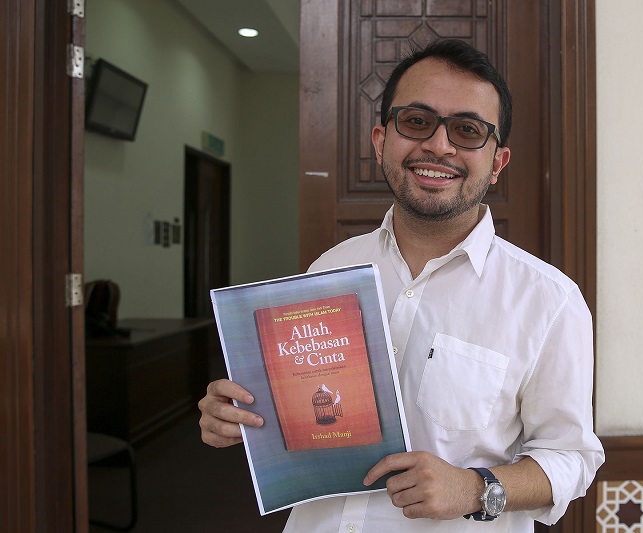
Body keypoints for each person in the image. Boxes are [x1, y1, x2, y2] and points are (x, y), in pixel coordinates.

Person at [198, 38, 604, 532]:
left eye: (468, 130)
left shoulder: (548, 301)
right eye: (416, 121)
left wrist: (476, 488)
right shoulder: (331, 267)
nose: (438, 145)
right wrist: (242, 415)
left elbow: (572, 459)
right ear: (380, 141)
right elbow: (303, 412)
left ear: (497, 163)